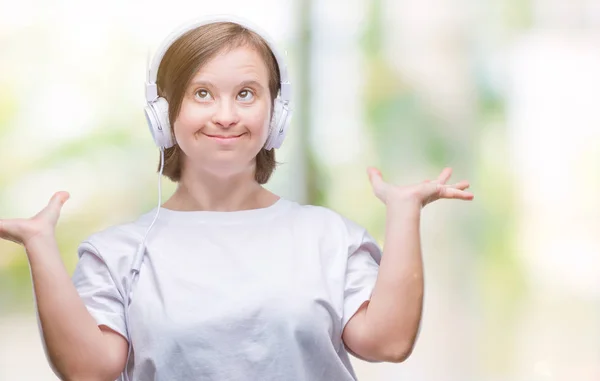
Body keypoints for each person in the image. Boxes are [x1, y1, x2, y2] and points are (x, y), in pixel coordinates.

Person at [0, 15, 474, 381]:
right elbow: (89, 369)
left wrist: (404, 213)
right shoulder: (117, 252)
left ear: (277, 111)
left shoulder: (327, 235)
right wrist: (40, 244)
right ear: (163, 114)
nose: (226, 115)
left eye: (246, 93)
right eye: (202, 93)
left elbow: (387, 342)